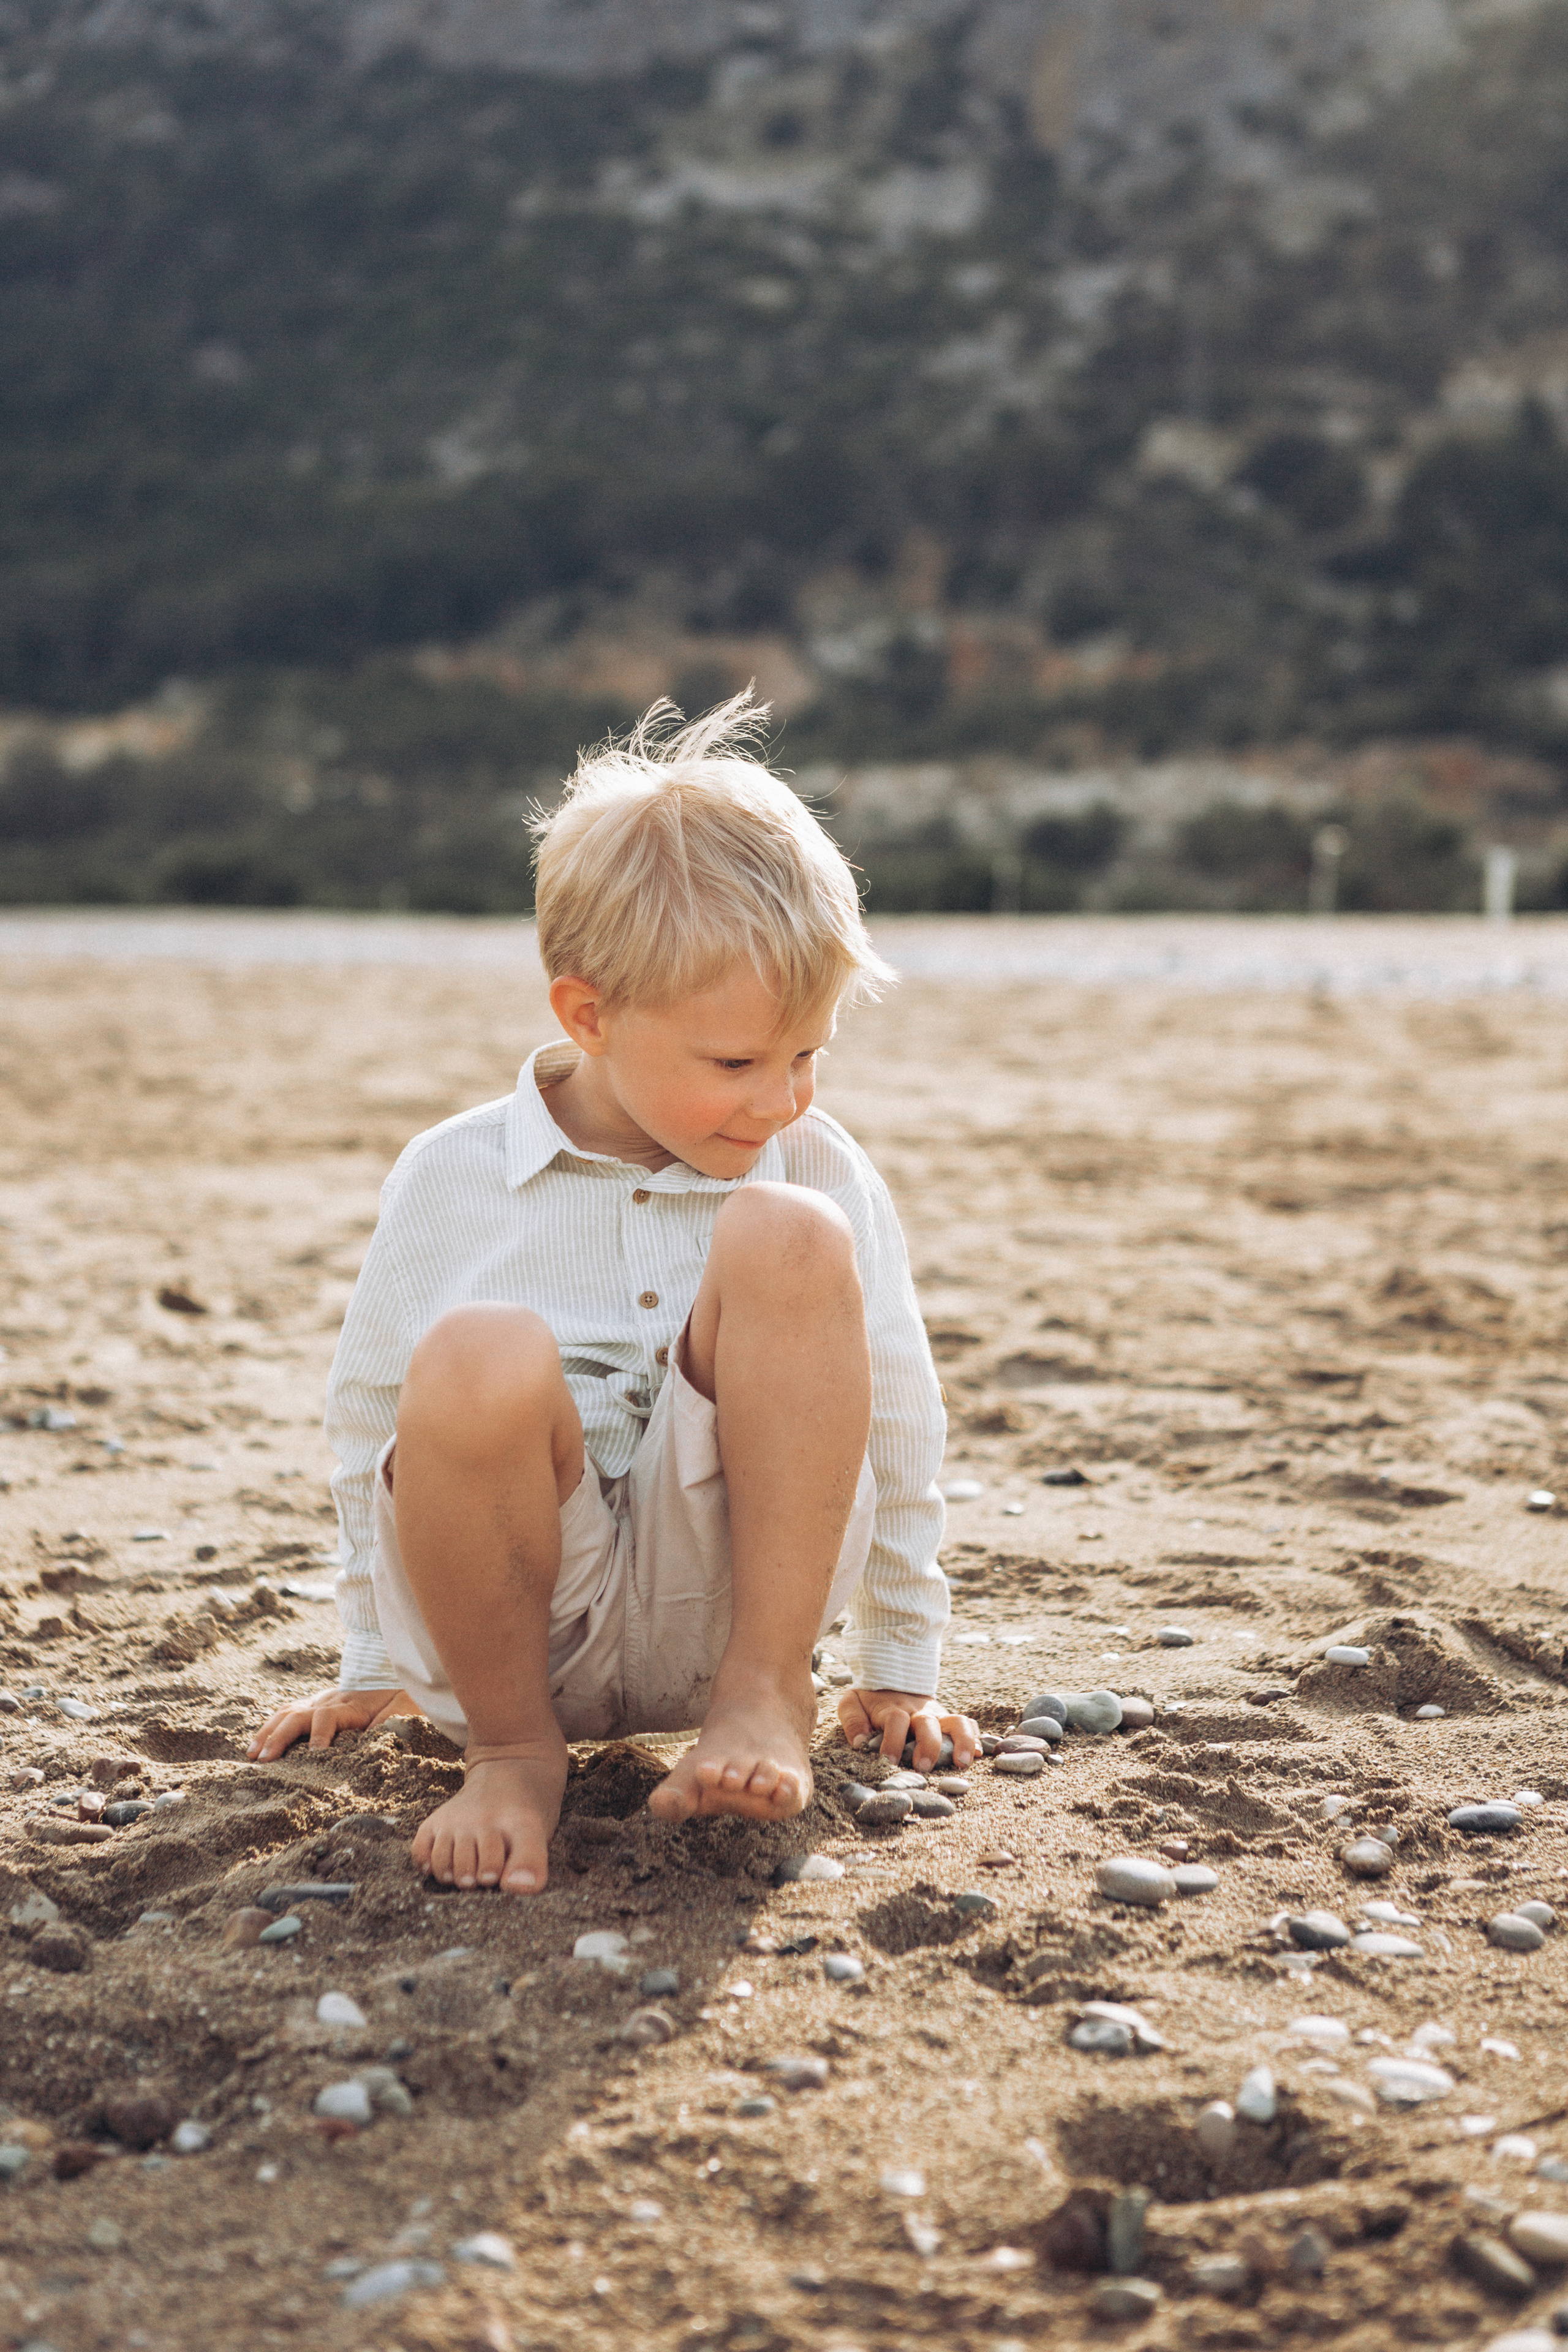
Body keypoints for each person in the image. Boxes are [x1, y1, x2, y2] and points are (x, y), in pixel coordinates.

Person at [249, 693, 976, 1893]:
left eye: (809, 1054)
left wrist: (898, 1657)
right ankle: (513, 1756)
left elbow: (894, 1408)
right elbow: (368, 1422)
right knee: (474, 1351)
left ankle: (761, 1701)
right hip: (510, 1630)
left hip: (739, 1611)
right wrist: (373, 1655)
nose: (782, 1100)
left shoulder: (814, 1162)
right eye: (736, 1063)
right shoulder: (451, 1173)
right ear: (588, 1015)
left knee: (795, 1235)